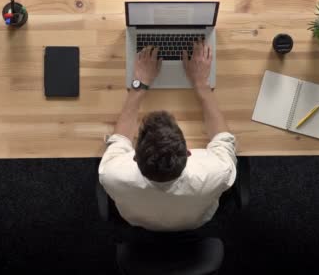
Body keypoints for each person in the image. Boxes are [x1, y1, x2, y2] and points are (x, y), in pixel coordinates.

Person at [98, 40, 237, 232]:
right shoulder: (215, 172)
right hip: (194, 222)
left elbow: (120, 140)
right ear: (188, 153)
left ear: (135, 156)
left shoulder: (112, 174)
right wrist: (201, 84)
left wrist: (140, 83)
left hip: (138, 222)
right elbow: (224, 139)